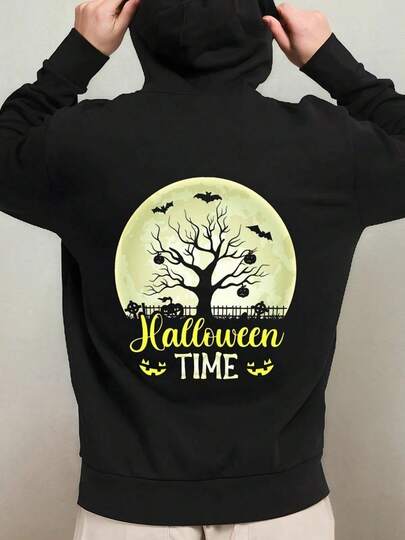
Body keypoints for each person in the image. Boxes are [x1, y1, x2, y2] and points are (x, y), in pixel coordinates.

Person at [1, 0, 404, 538]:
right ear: (264, 30)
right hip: (283, 509)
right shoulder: (330, 146)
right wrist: (331, 60)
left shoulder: (83, 143)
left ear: (138, 29)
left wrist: (78, 55)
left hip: (128, 511)